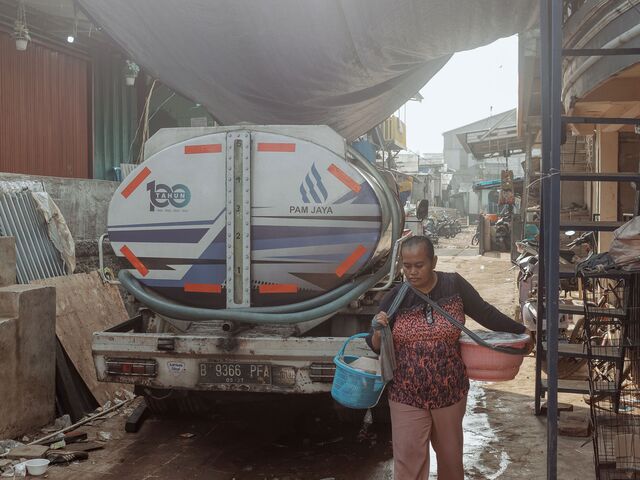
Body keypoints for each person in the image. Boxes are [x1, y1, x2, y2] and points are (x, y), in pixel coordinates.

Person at [366, 235, 533, 480]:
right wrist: (379, 329)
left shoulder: (453, 285)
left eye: (419, 265)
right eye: (407, 266)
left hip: (450, 391)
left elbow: (485, 312)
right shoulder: (396, 296)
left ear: (433, 261)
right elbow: (374, 345)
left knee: (450, 461)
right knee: (407, 464)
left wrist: (521, 332)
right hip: (405, 393)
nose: (412, 272)